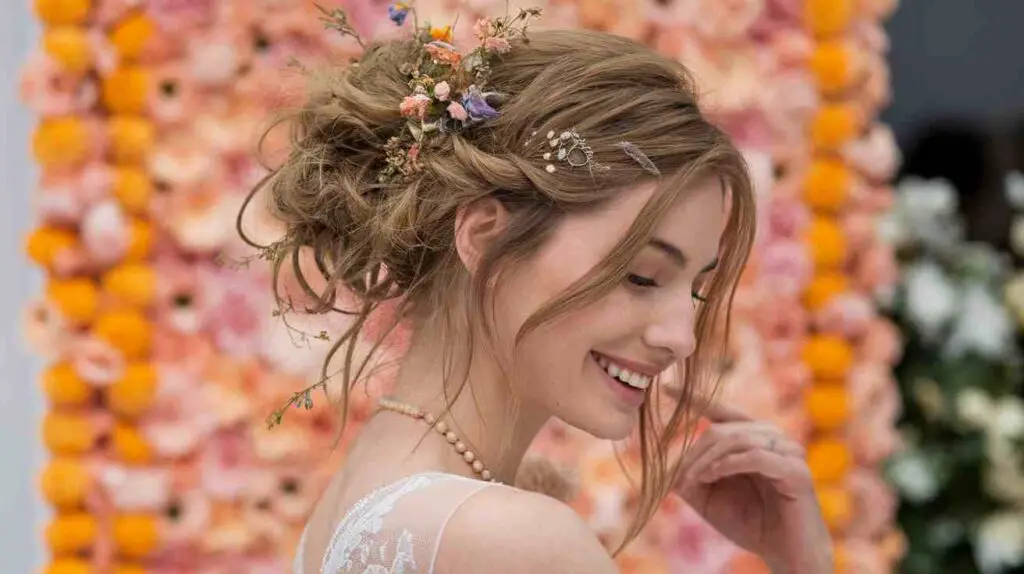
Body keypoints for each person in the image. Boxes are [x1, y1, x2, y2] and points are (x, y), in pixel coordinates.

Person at [240, 5, 832, 573]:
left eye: (696, 291)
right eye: (642, 275)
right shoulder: (507, 537)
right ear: (485, 237)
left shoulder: (374, 489)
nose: (680, 338)